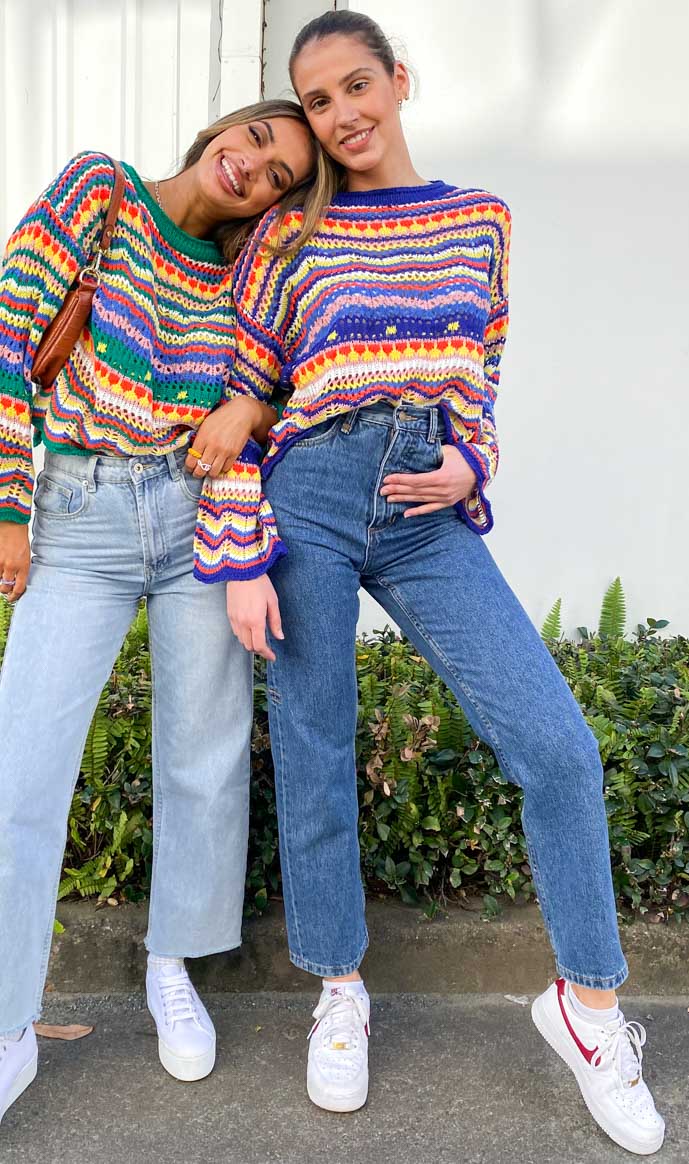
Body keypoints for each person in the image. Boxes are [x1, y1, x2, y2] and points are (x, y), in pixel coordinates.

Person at [203, 11, 665, 1156]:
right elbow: (242, 395)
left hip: (425, 507)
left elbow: (482, 376)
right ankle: (339, 992)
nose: (342, 115)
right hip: (308, 494)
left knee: (557, 745)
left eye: (357, 86)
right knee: (315, 748)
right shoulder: (289, 233)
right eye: (318, 102)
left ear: (399, 81)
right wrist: (241, 549)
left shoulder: (479, 219)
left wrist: (472, 462)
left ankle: (589, 1009)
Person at [0, 99, 323, 1124]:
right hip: (79, 513)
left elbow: (286, 385)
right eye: (257, 141)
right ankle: (7, 1023)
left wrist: (250, 405)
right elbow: (7, 333)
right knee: (22, 770)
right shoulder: (101, 190)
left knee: (204, 754)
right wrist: (6, 506)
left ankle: (171, 966)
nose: (253, 169)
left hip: (197, 522)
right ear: (227, 127)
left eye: (278, 177)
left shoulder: (245, 275)